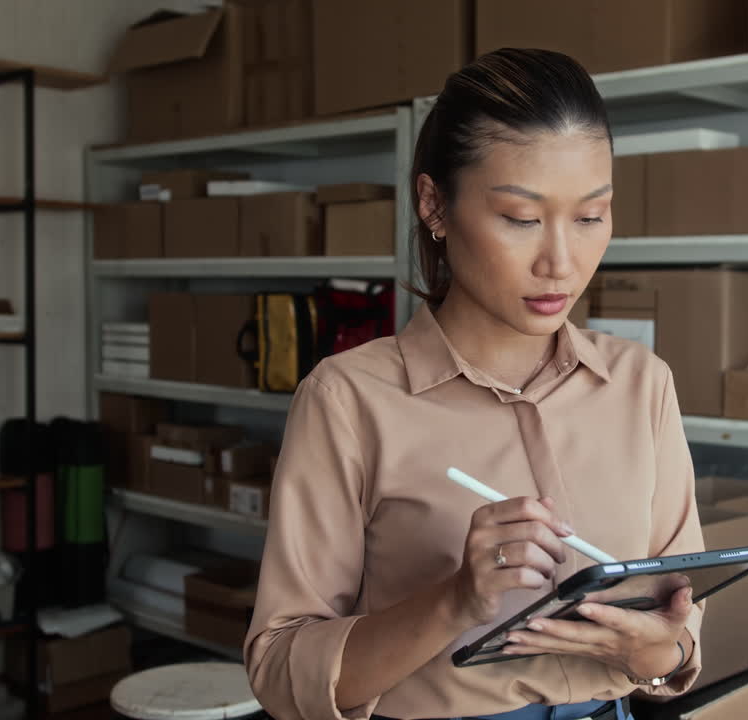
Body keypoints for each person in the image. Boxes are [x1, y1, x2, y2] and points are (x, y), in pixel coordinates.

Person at [245, 48, 703, 720]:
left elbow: (682, 629)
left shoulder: (642, 385)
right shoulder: (349, 401)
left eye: (590, 216)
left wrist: (654, 654)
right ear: (435, 204)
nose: (562, 261)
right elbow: (282, 672)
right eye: (521, 219)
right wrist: (455, 600)